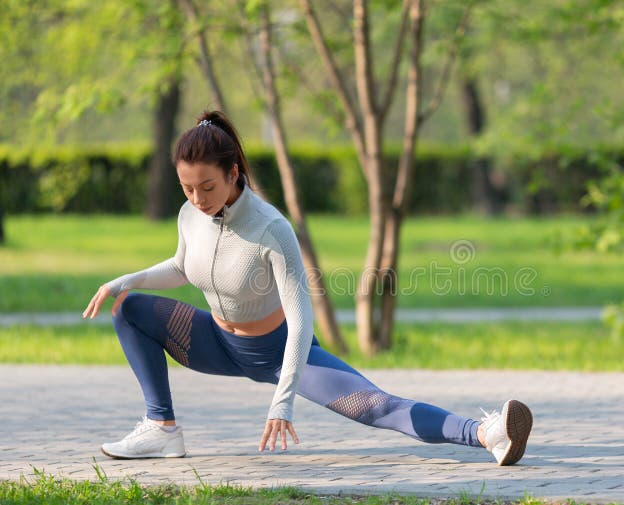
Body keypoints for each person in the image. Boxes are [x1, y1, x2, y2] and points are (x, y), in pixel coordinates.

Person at [82, 110, 533, 466]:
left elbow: (301, 321)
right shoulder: (191, 215)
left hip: (277, 351)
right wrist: (123, 281)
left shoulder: (271, 229)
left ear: (234, 173)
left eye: (207, 186)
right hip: (216, 343)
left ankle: (486, 433)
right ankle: (162, 429)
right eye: (187, 188)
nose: (198, 199)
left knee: (375, 407)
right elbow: (183, 266)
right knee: (132, 308)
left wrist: (283, 403)